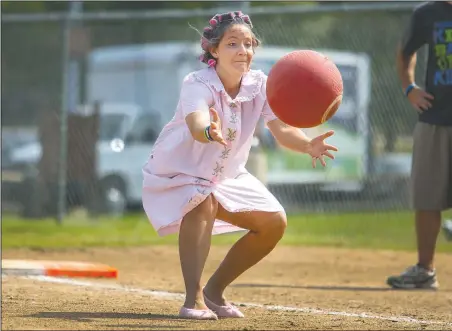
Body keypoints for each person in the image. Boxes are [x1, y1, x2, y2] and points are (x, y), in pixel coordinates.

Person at [142, 11, 338, 320]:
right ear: (214, 50)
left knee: (274, 222)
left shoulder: (260, 84)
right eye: (233, 43)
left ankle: (214, 291)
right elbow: (197, 120)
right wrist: (208, 131)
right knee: (201, 200)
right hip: (181, 170)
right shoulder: (197, 82)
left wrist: (307, 145)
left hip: (225, 175)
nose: (243, 51)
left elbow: (282, 129)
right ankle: (193, 300)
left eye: (248, 44)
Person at [387, 1, 452, 289]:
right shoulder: (427, 14)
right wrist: (410, 89)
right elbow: (405, 52)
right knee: (427, 196)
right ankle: (425, 270)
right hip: (435, 116)